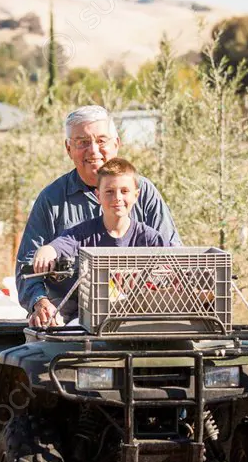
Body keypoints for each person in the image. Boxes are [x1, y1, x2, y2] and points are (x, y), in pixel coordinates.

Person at [16, 105, 181, 327]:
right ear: (68, 148)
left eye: (101, 140)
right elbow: (27, 265)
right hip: (67, 321)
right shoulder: (51, 200)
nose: (93, 151)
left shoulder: (146, 193)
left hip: (139, 316)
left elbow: (175, 257)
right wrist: (40, 302)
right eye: (82, 142)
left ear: (116, 144)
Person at [31, 158, 169, 322]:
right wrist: (45, 252)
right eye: (109, 192)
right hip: (90, 320)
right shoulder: (83, 233)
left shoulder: (150, 238)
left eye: (124, 191)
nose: (117, 198)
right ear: (98, 196)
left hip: (139, 317)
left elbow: (171, 271)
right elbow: (58, 246)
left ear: (136, 195)